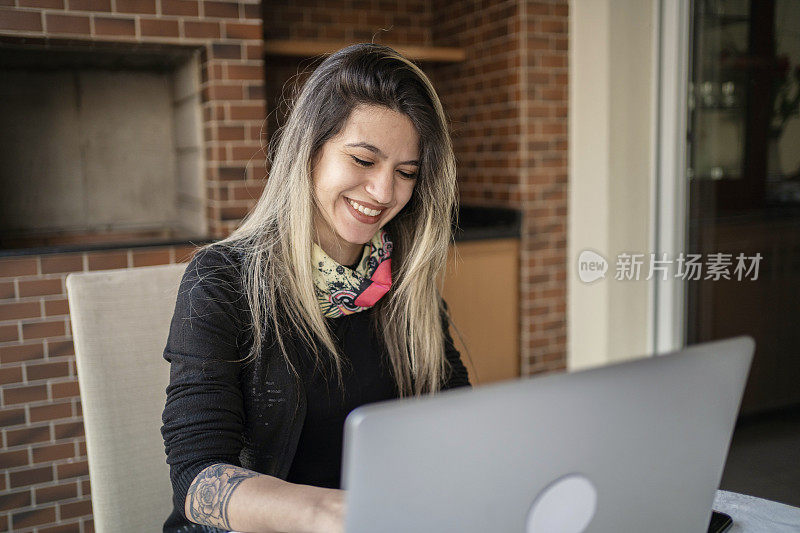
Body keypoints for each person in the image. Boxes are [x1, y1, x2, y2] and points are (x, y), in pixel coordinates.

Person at [160, 43, 471, 533]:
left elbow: (457, 419)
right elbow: (197, 483)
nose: (385, 193)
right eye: (364, 160)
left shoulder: (404, 283)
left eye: (406, 173)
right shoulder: (221, 281)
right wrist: (333, 514)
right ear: (309, 151)